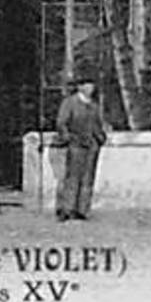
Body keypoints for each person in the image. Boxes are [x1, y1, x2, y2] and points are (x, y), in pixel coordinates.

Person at [55, 77, 107, 221]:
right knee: (72, 177)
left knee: (88, 178)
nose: (91, 88)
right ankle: (67, 209)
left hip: (91, 146)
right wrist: (68, 138)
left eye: (92, 85)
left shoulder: (94, 106)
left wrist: (100, 138)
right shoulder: (70, 103)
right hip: (76, 144)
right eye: (87, 85)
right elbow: (61, 123)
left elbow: (98, 125)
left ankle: (82, 210)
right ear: (80, 87)